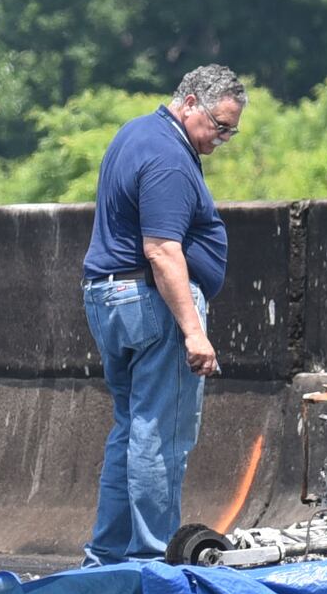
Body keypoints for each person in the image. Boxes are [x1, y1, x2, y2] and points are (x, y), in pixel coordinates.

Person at [79, 65, 245, 565]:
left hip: (109, 298)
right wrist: (194, 333)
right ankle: (154, 559)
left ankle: (107, 557)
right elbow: (162, 250)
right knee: (161, 435)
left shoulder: (135, 132)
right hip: (151, 303)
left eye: (231, 131)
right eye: (219, 126)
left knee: (131, 428)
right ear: (190, 102)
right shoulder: (171, 160)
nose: (222, 139)